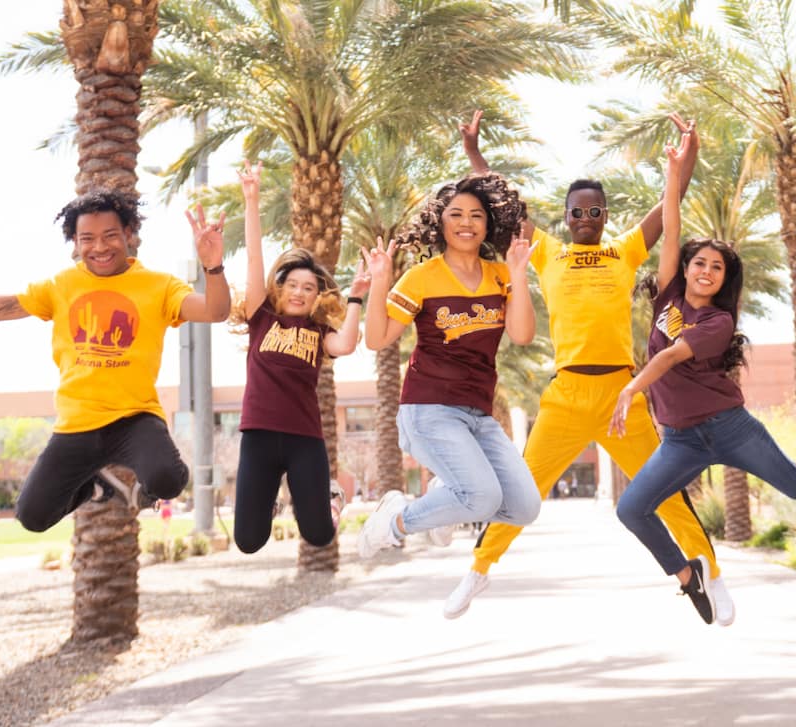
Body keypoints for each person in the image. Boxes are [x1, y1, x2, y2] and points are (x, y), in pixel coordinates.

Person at [449, 112, 732, 623]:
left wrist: (686, 154)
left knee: (666, 493)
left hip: (623, 397)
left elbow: (670, 206)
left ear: (603, 216)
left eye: (595, 211)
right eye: (578, 211)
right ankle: (477, 571)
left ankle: (709, 573)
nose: (586, 217)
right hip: (566, 397)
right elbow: (500, 203)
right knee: (521, 491)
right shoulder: (547, 253)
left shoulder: (623, 252)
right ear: (565, 216)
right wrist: (473, 152)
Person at [0, 191, 231, 531]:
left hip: (134, 419)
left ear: (129, 234)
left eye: (110, 236)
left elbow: (215, 310)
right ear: (75, 242)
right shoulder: (62, 286)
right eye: (87, 239)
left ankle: (143, 490)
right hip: (77, 424)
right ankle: (94, 485)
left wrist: (213, 265)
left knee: (166, 479)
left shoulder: (159, 286)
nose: (100, 247)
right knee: (32, 517)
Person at [610, 131, 796, 624]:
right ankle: (687, 576)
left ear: (724, 279)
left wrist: (633, 386)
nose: (705, 271)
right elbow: (671, 230)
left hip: (730, 428)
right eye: (700, 263)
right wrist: (675, 172)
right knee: (632, 509)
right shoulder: (668, 294)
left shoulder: (718, 323)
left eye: (716, 268)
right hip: (680, 439)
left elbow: (671, 358)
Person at [358, 171, 541, 562]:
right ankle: (394, 520)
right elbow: (377, 339)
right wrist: (379, 281)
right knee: (482, 497)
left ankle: (447, 497)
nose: (466, 223)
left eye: (476, 215)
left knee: (525, 507)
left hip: (478, 414)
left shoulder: (500, 276)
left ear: (488, 224)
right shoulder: (421, 278)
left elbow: (522, 335)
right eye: (456, 214)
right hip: (429, 409)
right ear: (440, 222)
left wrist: (520, 274)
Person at [229, 161, 370, 554]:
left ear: (316, 296)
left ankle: (330, 499)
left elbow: (346, 345)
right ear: (280, 288)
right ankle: (268, 499)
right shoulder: (262, 318)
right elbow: (256, 260)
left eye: (308, 288)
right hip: (258, 437)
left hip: (304, 439)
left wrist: (357, 293)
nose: (299, 292)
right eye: (292, 284)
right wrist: (251, 199)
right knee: (248, 541)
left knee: (320, 535)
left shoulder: (318, 333)